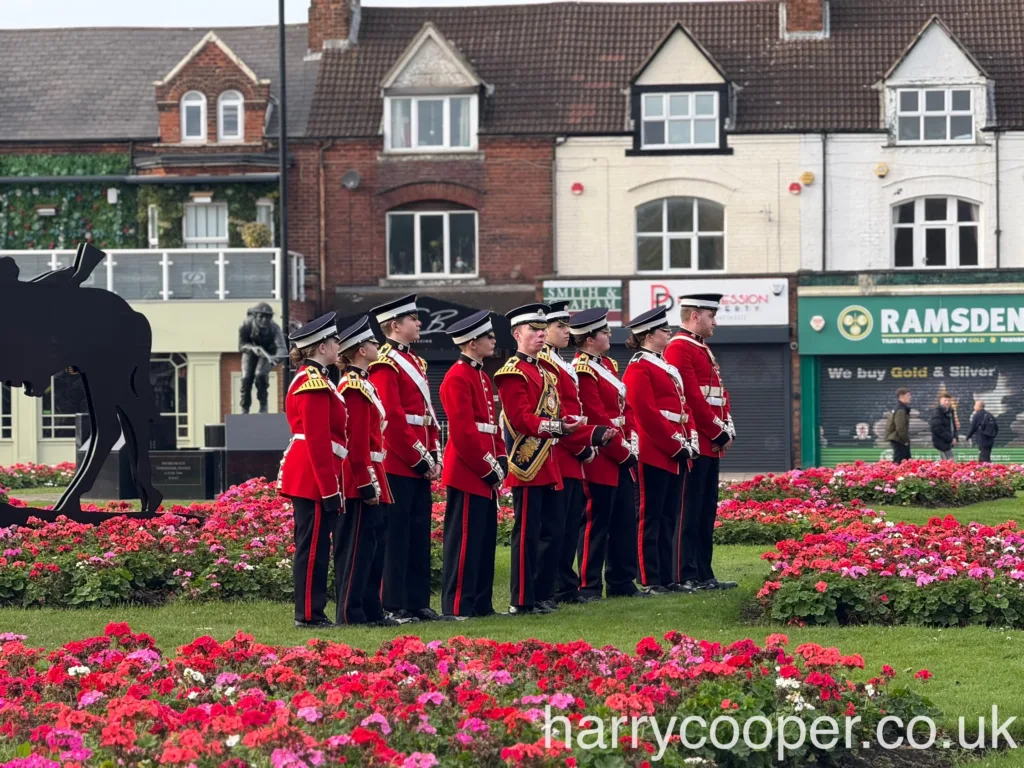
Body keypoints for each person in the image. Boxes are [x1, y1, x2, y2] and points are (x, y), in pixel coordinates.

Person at [495, 303, 584, 615]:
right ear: (518, 334)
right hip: (527, 462)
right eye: (533, 329)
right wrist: (556, 427)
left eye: (542, 328)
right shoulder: (511, 373)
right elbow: (520, 419)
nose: (540, 334)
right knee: (527, 535)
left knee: (551, 533)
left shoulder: (546, 370)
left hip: (549, 461)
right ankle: (522, 599)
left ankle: (543, 594)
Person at [369, 294, 446, 623]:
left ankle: (417, 601)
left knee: (418, 534)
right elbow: (394, 421)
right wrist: (422, 459)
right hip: (399, 462)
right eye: (412, 319)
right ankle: (394, 603)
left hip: (419, 459)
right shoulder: (384, 363)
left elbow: (426, 417)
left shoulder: (416, 362)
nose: (419, 323)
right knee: (397, 536)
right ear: (394, 325)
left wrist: (435, 454)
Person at [570, 307, 647, 601]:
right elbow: (596, 415)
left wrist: (632, 443)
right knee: (595, 523)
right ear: (589, 339)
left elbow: (625, 410)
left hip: (621, 449)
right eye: (603, 332)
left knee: (623, 521)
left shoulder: (608, 366)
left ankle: (621, 579)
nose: (609, 335)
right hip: (603, 454)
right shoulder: (583, 370)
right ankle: (589, 584)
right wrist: (620, 450)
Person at [622, 306, 699, 594]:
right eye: (664, 330)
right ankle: (650, 578)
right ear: (648, 335)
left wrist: (688, 439)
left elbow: (683, 408)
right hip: (654, 452)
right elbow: (646, 414)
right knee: (649, 518)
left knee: (669, 516)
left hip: (675, 449)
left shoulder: (664, 365)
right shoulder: (639, 366)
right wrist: (674, 444)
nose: (669, 333)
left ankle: (668, 576)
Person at [276, 312, 346, 629]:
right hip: (312, 475)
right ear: (320, 346)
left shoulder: (318, 379)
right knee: (313, 546)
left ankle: (313, 610)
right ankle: (308, 612)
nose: (338, 345)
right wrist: (330, 489)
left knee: (317, 544)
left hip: (315, 472)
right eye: (333, 341)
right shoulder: (313, 383)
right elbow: (318, 441)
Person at [538, 301, 609, 609]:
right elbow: (558, 411)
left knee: (569, 525)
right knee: (556, 526)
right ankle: (556, 585)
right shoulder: (544, 363)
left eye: (567, 326)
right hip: (561, 451)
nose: (567, 332)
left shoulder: (560, 362)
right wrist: (582, 444)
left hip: (573, 453)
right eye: (560, 327)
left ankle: (565, 585)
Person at [665, 294, 738, 592]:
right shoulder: (680, 348)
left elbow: (717, 395)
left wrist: (726, 426)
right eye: (711, 315)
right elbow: (692, 397)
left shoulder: (699, 348)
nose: (715, 322)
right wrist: (716, 431)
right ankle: (685, 572)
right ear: (695, 316)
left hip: (712, 441)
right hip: (698, 441)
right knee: (689, 510)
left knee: (706, 511)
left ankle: (703, 572)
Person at [438, 310, 507, 620]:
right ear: (470, 342)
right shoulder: (456, 376)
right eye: (487, 337)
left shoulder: (479, 374)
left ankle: (481, 602)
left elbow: (491, 426)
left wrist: (501, 459)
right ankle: (458, 605)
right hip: (468, 470)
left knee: (483, 540)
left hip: (484, 465)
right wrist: (488, 468)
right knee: (464, 540)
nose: (493, 341)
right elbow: (464, 432)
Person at [334, 316, 401, 627]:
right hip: (361, 475)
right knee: (358, 550)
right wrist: (365, 483)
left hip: (375, 469)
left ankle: (371, 609)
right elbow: (356, 442)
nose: (378, 346)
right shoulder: (353, 388)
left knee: (374, 548)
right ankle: (352, 611)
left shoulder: (365, 384)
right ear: (361, 350)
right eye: (373, 343)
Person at [885, 388, 913, 463]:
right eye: (908, 395)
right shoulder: (900, 410)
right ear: (901, 396)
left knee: (906, 461)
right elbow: (900, 428)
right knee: (899, 461)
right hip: (899, 439)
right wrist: (906, 440)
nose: (910, 397)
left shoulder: (900, 408)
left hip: (898, 438)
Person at [966, 399, 998, 463]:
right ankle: (983, 470)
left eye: (975, 405)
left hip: (982, 440)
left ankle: (988, 471)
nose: (973, 407)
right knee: (984, 457)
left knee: (985, 459)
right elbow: (996, 428)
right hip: (990, 440)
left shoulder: (977, 415)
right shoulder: (989, 415)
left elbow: (972, 427)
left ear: (979, 406)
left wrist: (967, 437)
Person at [930, 393, 958, 461]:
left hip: (947, 443)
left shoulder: (950, 412)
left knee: (950, 463)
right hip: (941, 443)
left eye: (949, 400)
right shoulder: (937, 412)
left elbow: (953, 426)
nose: (947, 402)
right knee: (948, 464)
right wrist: (950, 438)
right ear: (940, 401)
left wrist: (955, 437)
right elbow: (937, 428)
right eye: (945, 400)